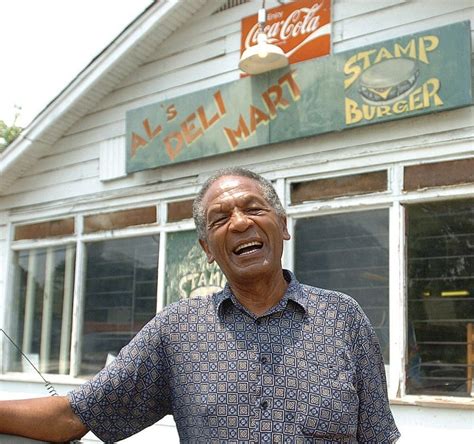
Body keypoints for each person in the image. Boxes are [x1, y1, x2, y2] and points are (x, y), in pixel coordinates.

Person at [0, 167, 400, 443]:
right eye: (220, 218)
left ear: (282, 225)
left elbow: (378, 437)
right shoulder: (177, 332)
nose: (240, 223)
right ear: (207, 248)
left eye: (253, 208)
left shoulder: (343, 318)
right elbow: (73, 416)